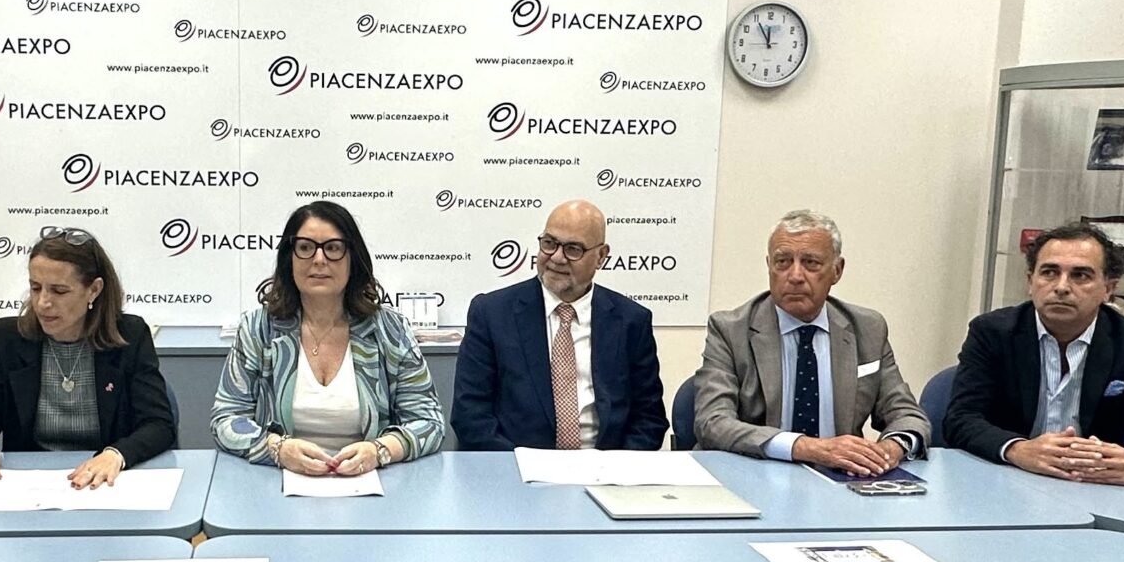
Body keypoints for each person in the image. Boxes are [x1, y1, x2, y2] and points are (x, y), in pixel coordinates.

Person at [943, 219, 1124, 483]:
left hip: (1094, 486)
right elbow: (961, 419)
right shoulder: (992, 332)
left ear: (1108, 289)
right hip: (1007, 478)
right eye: (1049, 272)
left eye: (1080, 275)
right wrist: (1017, 449)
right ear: (1030, 282)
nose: (1061, 287)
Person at [212, 200, 446, 476]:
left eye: (333, 248)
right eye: (305, 248)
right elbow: (226, 418)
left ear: (352, 259)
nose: (319, 259)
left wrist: (379, 451)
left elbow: (429, 422)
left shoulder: (390, 330)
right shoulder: (258, 329)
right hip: (276, 480)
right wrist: (277, 449)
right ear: (289, 258)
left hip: (371, 481)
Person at [690, 210, 927, 472]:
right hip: (754, 472)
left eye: (810, 263)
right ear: (769, 266)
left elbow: (907, 415)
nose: (795, 276)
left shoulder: (868, 328)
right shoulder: (730, 330)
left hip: (840, 479)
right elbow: (713, 422)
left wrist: (890, 449)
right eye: (782, 262)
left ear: (837, 270)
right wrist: (807, 448)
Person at [0, 229, 176, 488]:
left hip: (104, 484)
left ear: (94, 290)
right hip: (29, 485)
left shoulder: (129, 336)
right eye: (35, 288)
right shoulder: (9, 338)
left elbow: (159, 425)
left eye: (59, 291)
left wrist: (116, 455)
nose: (42, 303)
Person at [452, 200, 668, 451]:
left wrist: (613, 466)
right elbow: (470, 416)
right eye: (549, 243)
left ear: (601, 256)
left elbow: (649, 419)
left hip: (605, 466)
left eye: (573, 249)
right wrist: (522, 464)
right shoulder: (492, 314)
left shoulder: (631, 321)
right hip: (517, 465)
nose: (556, 257)